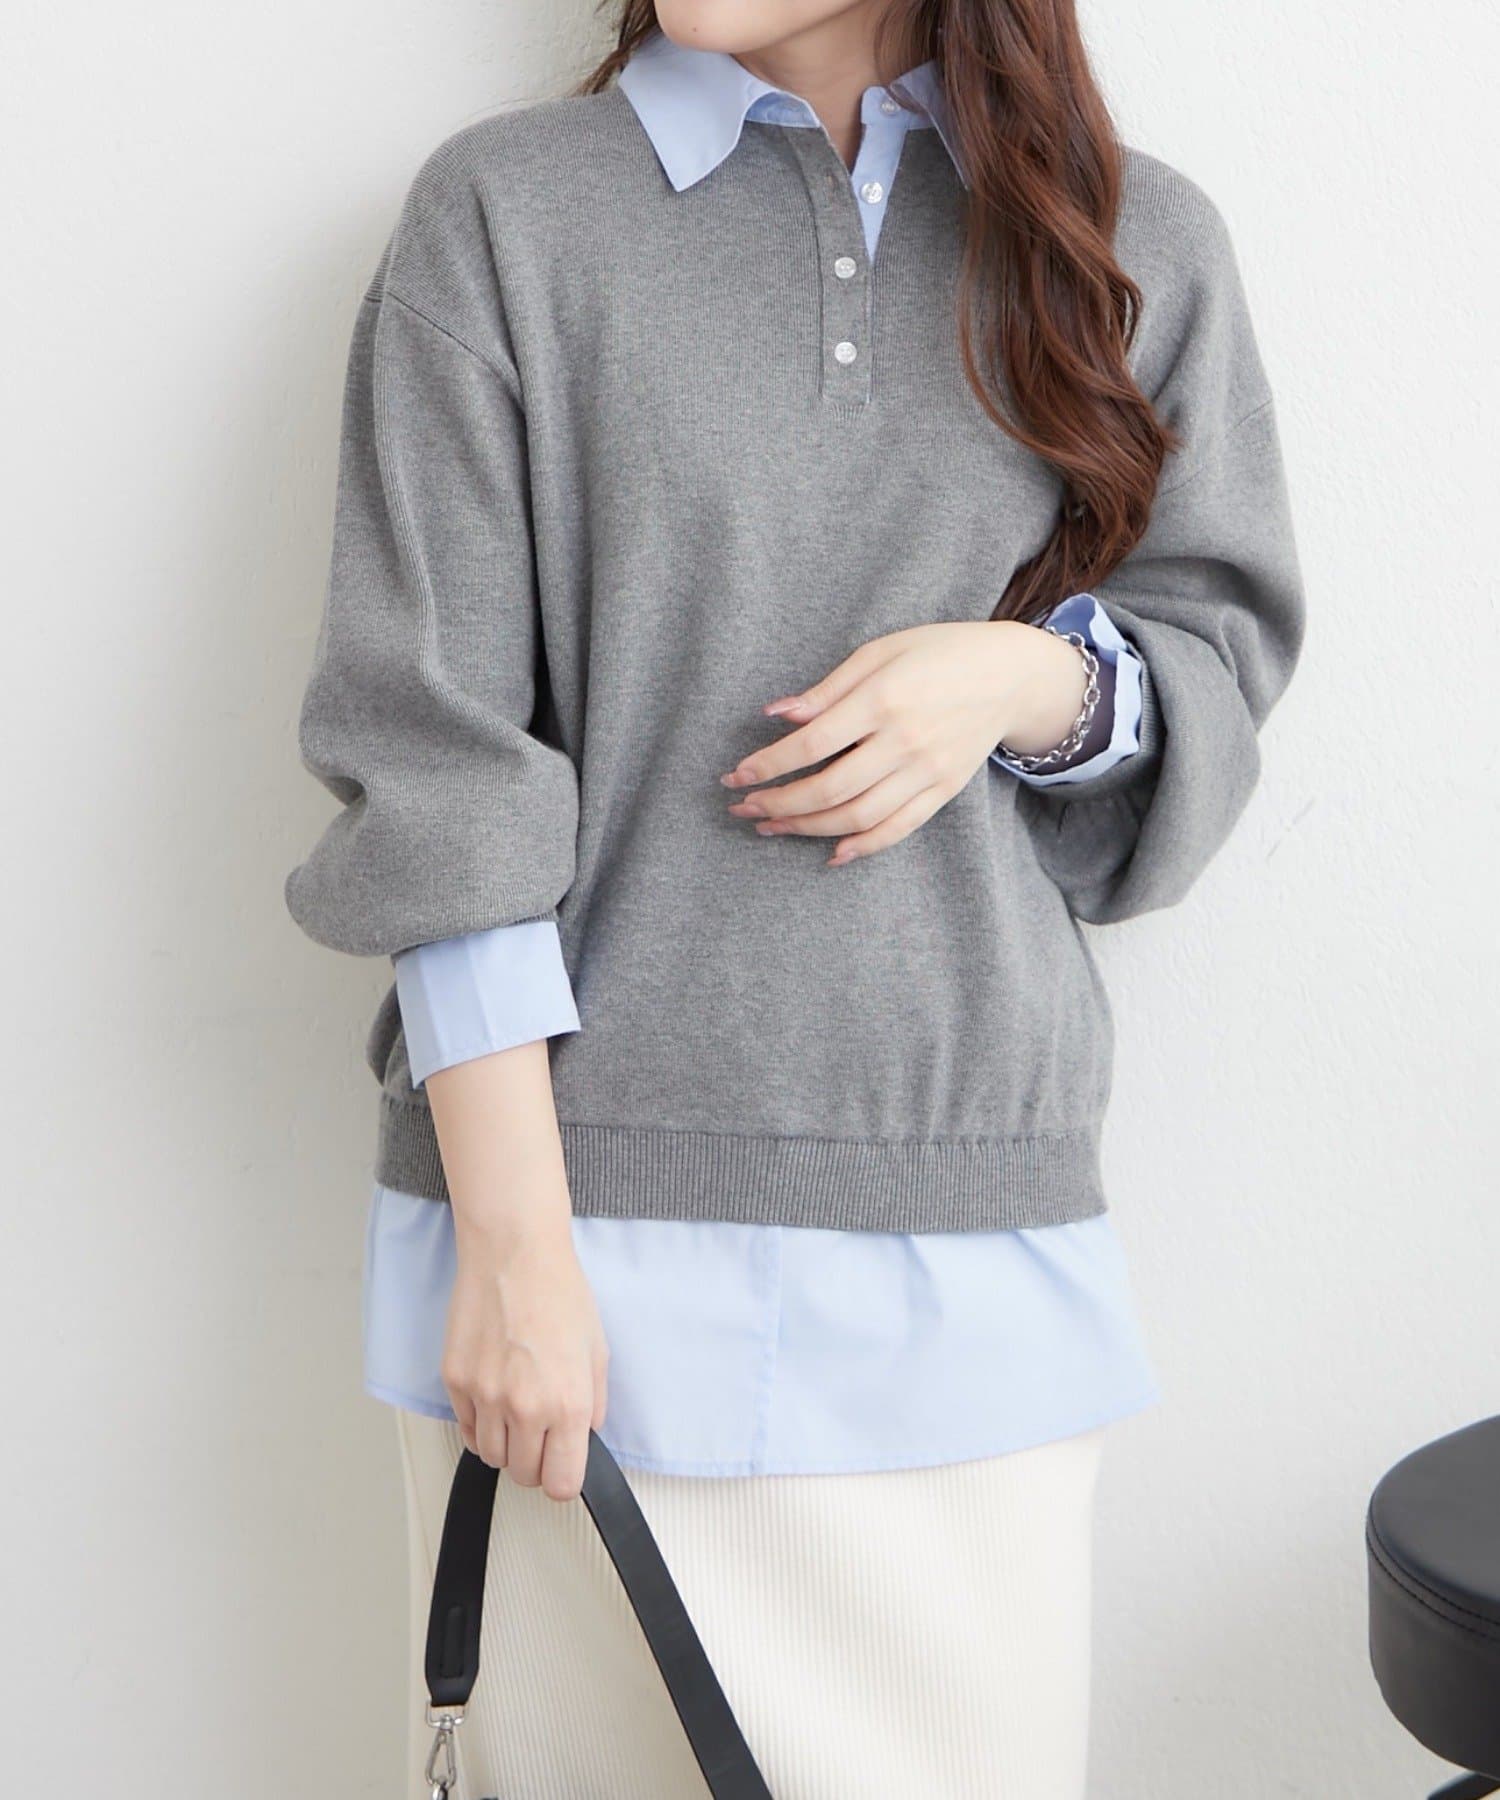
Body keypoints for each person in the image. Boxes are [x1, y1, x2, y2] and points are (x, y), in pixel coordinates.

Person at [286, 1, 1304, 1792]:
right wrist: (518, 1257)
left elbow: (1212, 663)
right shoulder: (506, 213)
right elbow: (438, 762)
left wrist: (1026, 682)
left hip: (964, 1255)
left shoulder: (1133, 241)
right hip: (564, 1261)